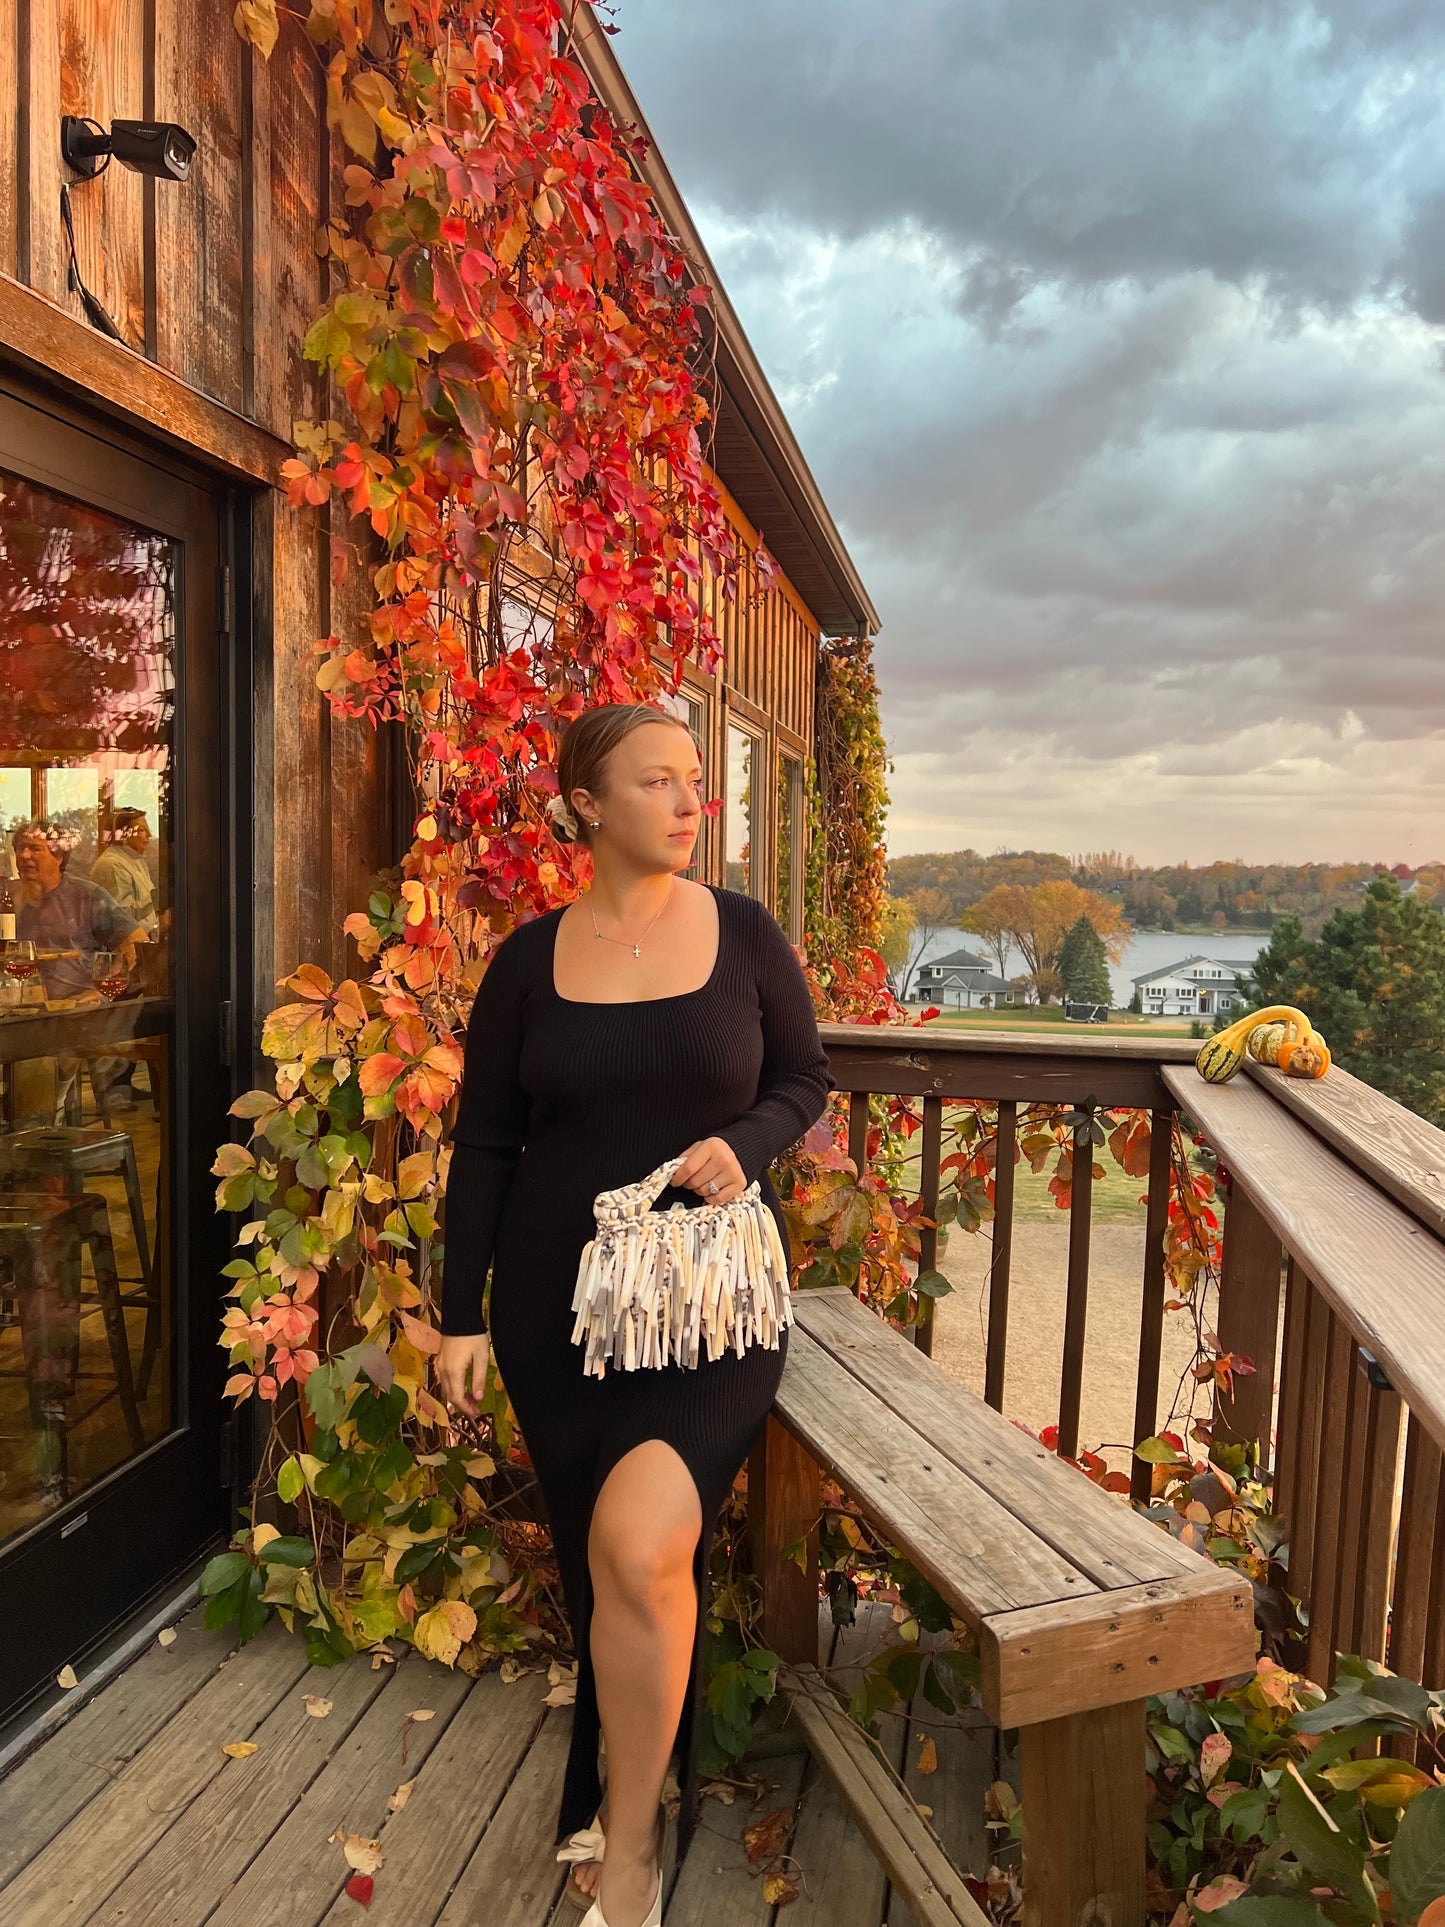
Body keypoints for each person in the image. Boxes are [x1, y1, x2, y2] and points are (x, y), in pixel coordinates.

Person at [436, 705, 834, 1927]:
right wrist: (459, 1315)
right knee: (594, 1557)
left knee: (643, 1545)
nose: (685, 797)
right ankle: (605, 1779)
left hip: (705, 1312)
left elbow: (801, 1081)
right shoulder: (526, 961)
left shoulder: (744, 936)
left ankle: (632, 1843)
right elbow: (488, 1142)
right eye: (655, 779)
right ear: (586, 806)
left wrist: (746, 1145)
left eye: (694, 778)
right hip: (555, 1317)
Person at [12, 820, 147, 1001]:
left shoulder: (87, 896)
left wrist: (100, 991)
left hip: (79, 1016)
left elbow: (137, 943)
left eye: (35, 849)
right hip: (21, 1016)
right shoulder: (8, 900)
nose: (24, 855)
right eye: (20, 849)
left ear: (58, 857)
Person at [91, 808, 159, 936]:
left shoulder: (137, 862)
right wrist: (156, 900)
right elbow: (121, 921)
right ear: (123, 835)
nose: (149, 834)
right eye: (142, 830)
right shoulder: (112, 865)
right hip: (129, 949)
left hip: (144, 942)